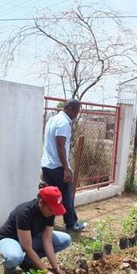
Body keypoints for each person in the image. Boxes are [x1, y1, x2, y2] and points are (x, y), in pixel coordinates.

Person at [0, 186, 71, 274]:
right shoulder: (24, 213)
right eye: (50, 209)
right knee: (14, 258)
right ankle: (10, 271)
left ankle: (26, 261)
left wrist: (56, 268)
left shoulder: (49, 213)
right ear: (40, 203)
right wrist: (46, 272)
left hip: (29, 238)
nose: (53, 213)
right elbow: (27, 247)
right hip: (9, 239)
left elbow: (47, 241)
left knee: (65, 239)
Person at [41, 98, 87, 231]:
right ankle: (71, 224)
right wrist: (66, 169)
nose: (76, 115)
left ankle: (47, 223)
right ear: (70, 109)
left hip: (47, 164)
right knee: (66, 196)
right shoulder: (64, 123)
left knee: (50, 196)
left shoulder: (52, 119)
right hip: (58, 166)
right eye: (76, 112)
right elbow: (60, 145)